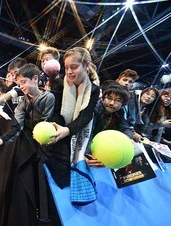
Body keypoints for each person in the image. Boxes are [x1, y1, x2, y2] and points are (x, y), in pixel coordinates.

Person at [0, 63, 55, 226]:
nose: (21, 86)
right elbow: (17, 125)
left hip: (48, 148)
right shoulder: (23, 102)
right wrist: (3, 140)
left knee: (45, 184)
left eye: (24, 82)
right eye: (19, 83)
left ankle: (46, 218)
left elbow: (47, 123)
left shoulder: (49, 97)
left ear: (35, 79)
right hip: (30, 147)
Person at [48, 47, 100, 205]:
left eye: (74, 67)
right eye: (66, 67)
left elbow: (86, 115)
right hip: (61, 129)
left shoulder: (94, 89)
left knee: (80, 161)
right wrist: (59, 128)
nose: (69, 71)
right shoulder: (58, 83)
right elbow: (56, 111)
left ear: (85, 65)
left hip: (79, 131)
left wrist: (68, 130)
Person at [85, 84, 133, 167]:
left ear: (123, 104)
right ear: (103, 98)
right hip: (88, 145)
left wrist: (127, 143)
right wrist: (87, 155)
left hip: (101, 145)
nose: (112, 103)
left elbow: (125, 127)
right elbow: (88, 133)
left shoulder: (120, 112)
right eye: (109, 98)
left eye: (118, 100)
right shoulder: (94, 109)